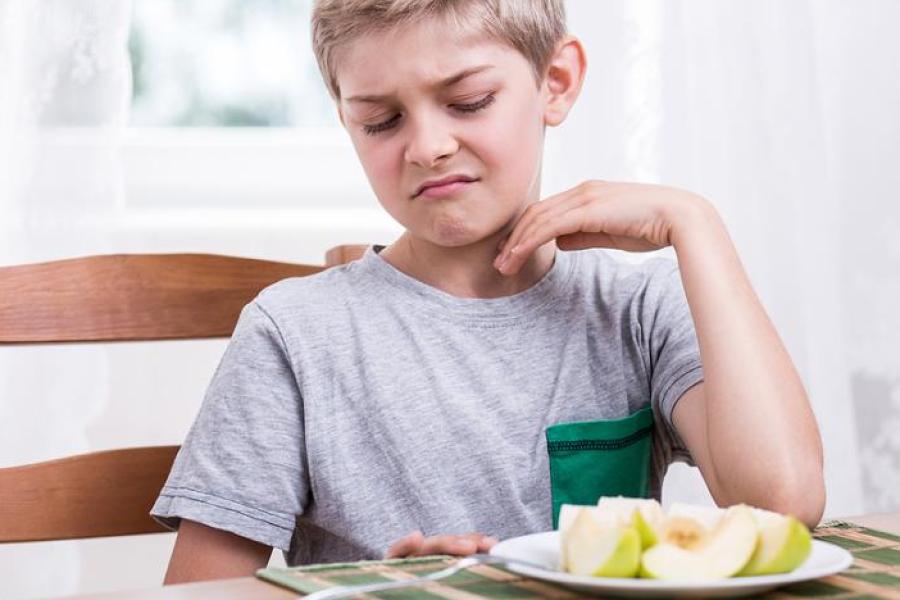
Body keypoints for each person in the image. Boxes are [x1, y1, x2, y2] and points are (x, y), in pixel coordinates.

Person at [153, 0, 826, 584]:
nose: (428, 146)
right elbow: (200, 590)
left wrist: (697, 226)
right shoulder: (294, 331)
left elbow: (782, 504)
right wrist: (368, 589)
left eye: (468, 102)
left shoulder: (639, 307)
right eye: (380, 121)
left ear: (555, 82)